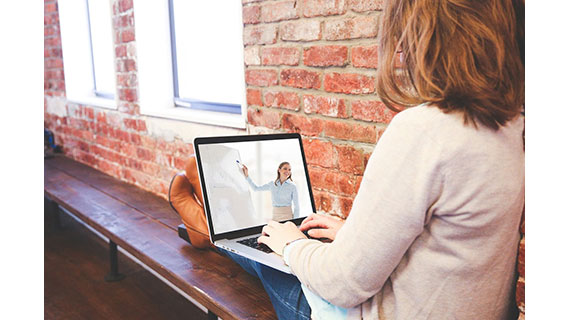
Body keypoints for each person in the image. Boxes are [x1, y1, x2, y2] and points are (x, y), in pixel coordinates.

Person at [177, 0, 525, 319]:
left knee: (269, 253)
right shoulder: (514, 125)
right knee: (275, 238)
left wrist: (293, 246)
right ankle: (210, 228)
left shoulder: (425, 131)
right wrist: (352, 236)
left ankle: (205, 227)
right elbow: (447, 242)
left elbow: (342, 285)